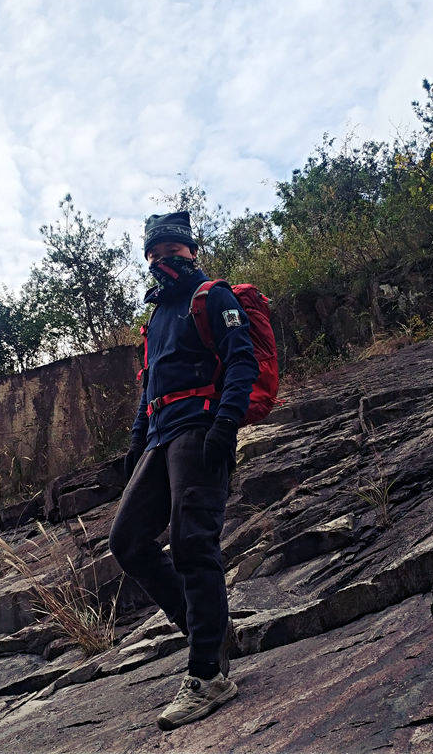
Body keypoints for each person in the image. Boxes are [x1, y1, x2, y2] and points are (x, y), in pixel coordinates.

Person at [108, 210, 258, 731]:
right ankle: (209, 635)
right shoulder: (154, 321)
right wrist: (135, 441)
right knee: (127, 541)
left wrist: (226, 423)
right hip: (158, 437)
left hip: (199, 430)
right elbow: (148, 385)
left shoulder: (212, 296)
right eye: (151, 253)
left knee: (194, 544)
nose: (159, 260)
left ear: (189, 250)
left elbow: (242, 361)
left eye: (170, 250)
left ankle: (207, 675)